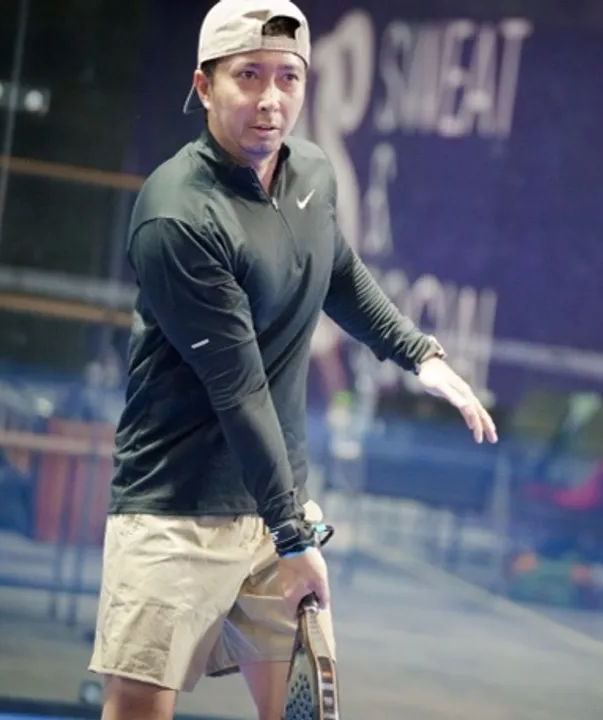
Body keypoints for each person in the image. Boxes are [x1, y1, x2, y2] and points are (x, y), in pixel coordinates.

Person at [89, 1, 498, 719]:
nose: (271, 99)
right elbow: (239, 388)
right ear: (204, 85)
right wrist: (292, 535)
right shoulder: (177, 216)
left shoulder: (311, 171)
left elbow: (335, 270)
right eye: (248, 75)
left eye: (288, 77)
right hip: (174, 514)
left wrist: (419, 355)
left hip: (275, 507)